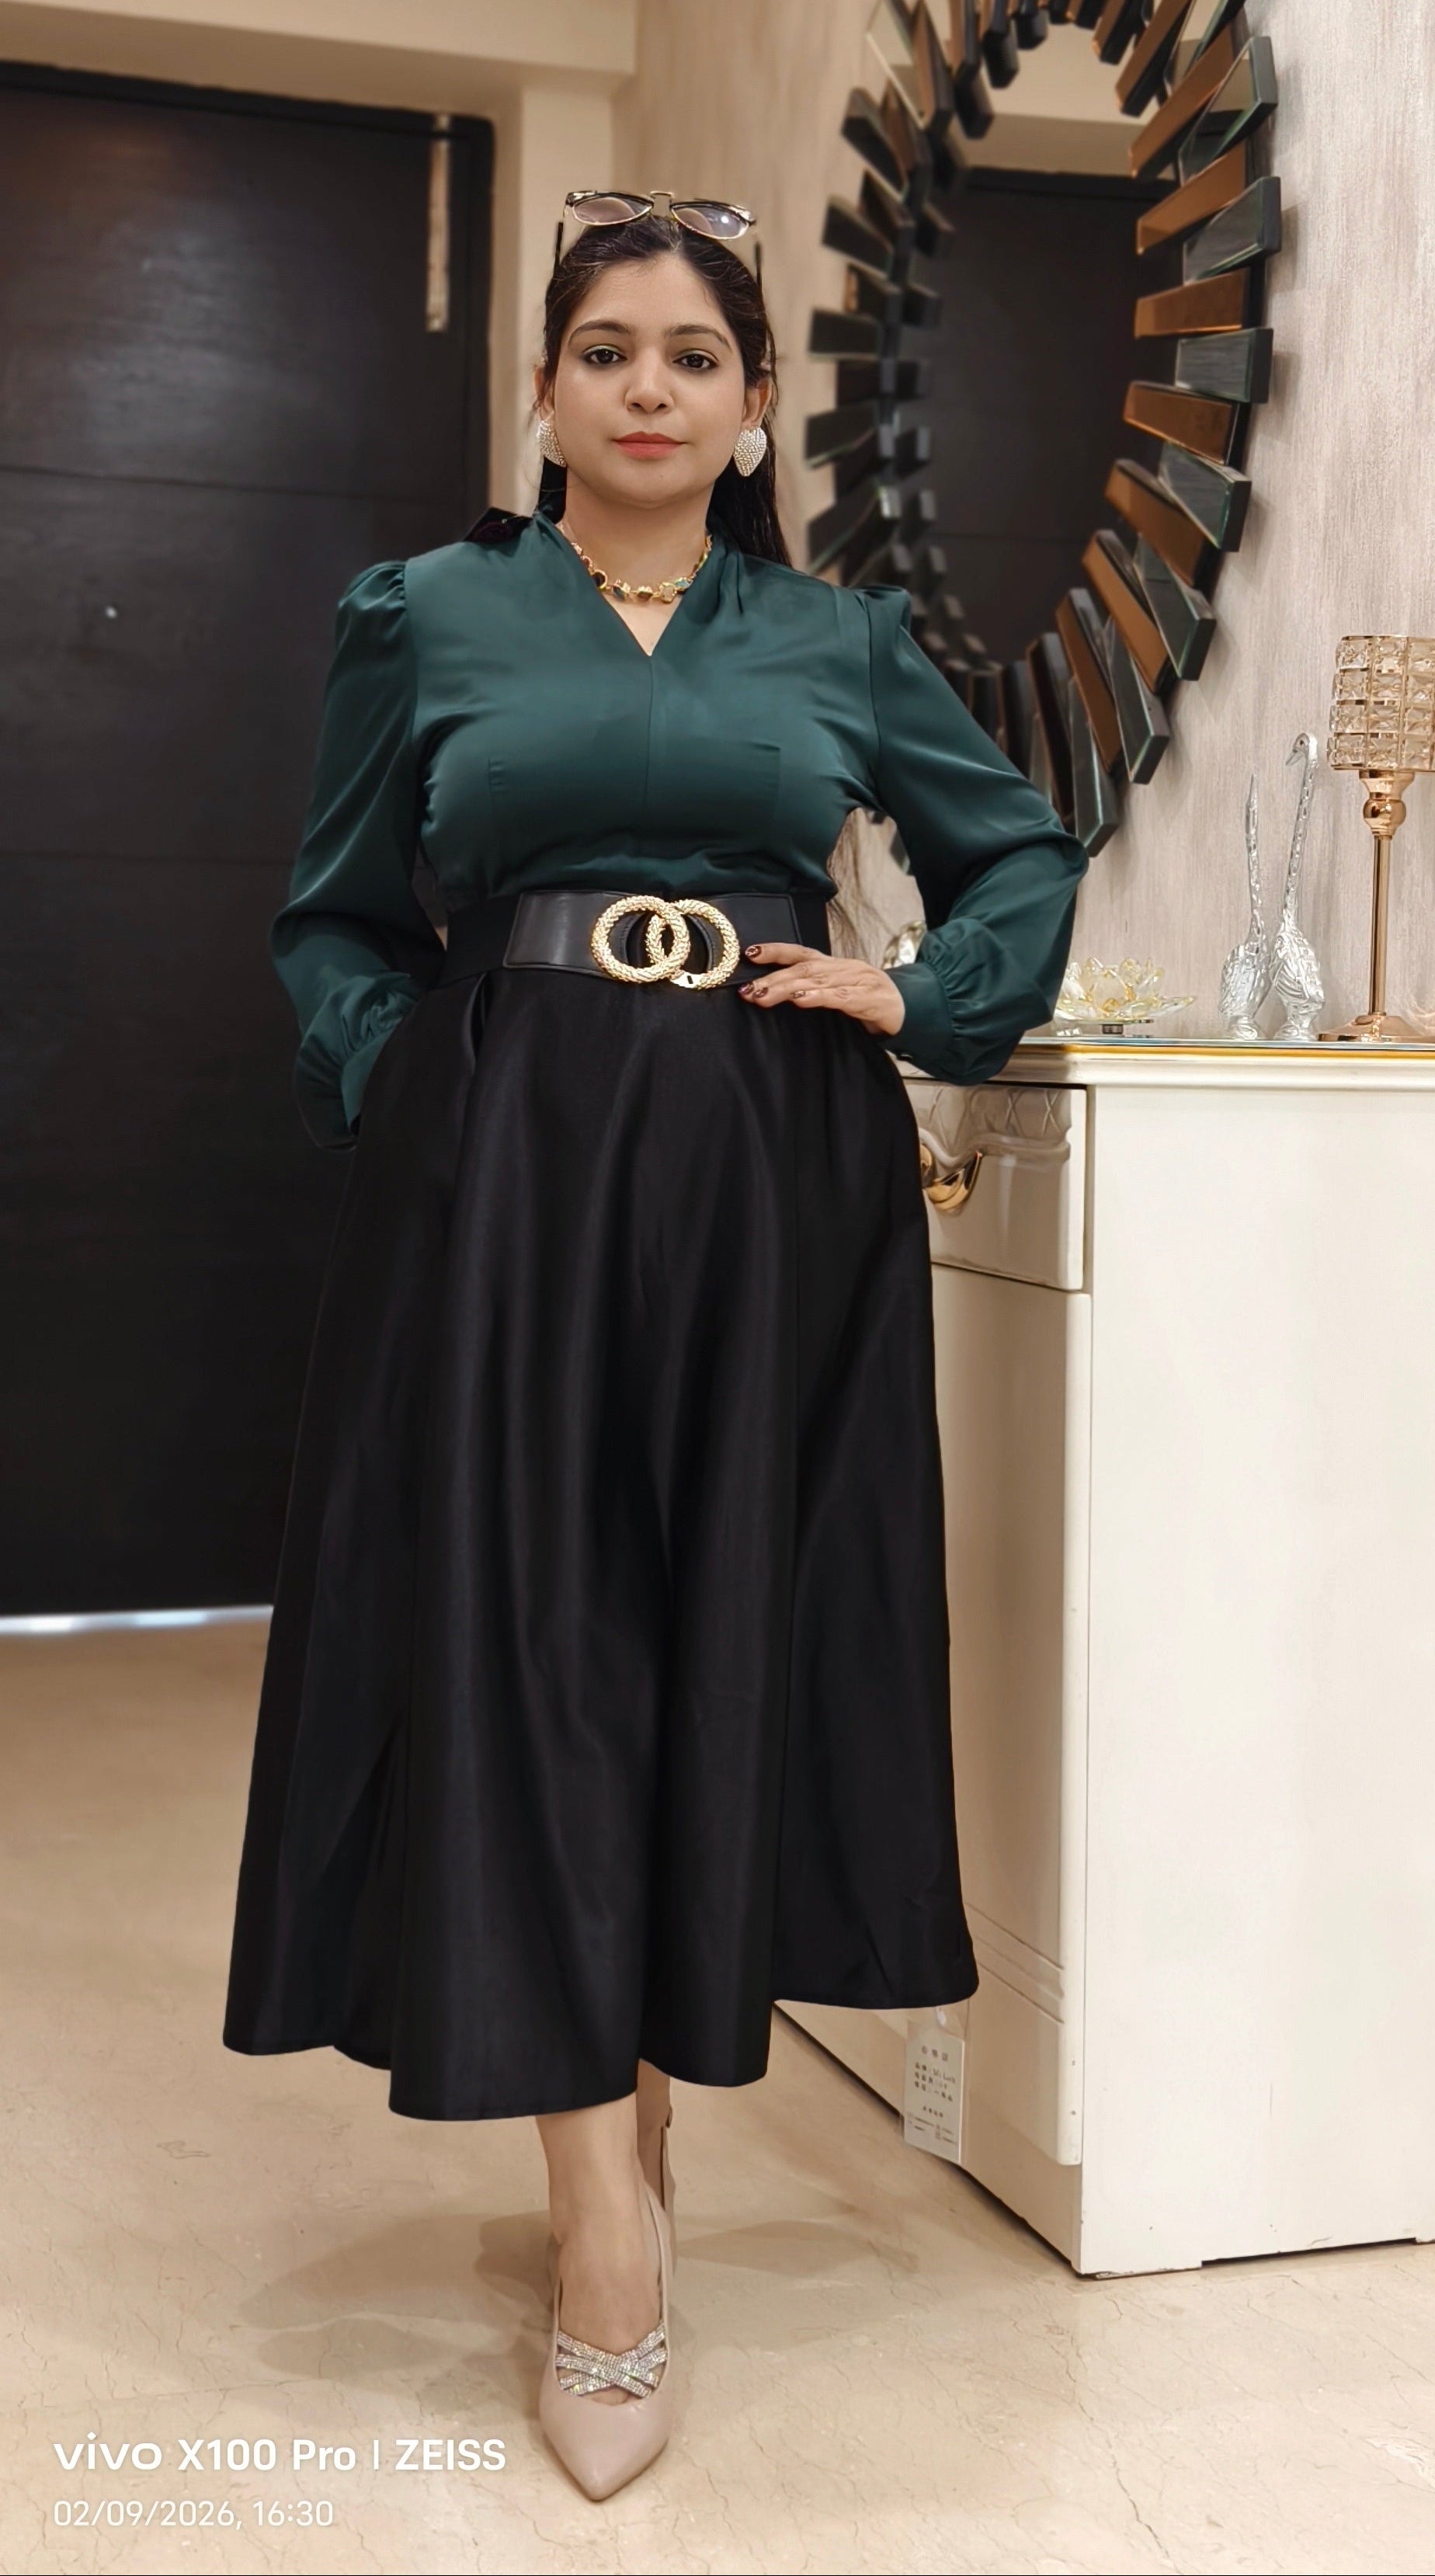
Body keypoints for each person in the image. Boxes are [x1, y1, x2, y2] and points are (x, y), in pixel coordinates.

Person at [224, 190, 1087, 2500]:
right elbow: (334, 915)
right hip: (500, 1187)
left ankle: (640, 2108)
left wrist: (919, 992)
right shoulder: (423, 614)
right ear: (542, 389)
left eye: (693, 356)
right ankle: (604, 2232)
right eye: (604, 349)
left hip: (765, 1185)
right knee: (530, 1648)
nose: (645, 388)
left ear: (752, 406)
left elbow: (1018, 858)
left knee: (708, 1636)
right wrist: (415, 1093)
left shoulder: (837, 638)